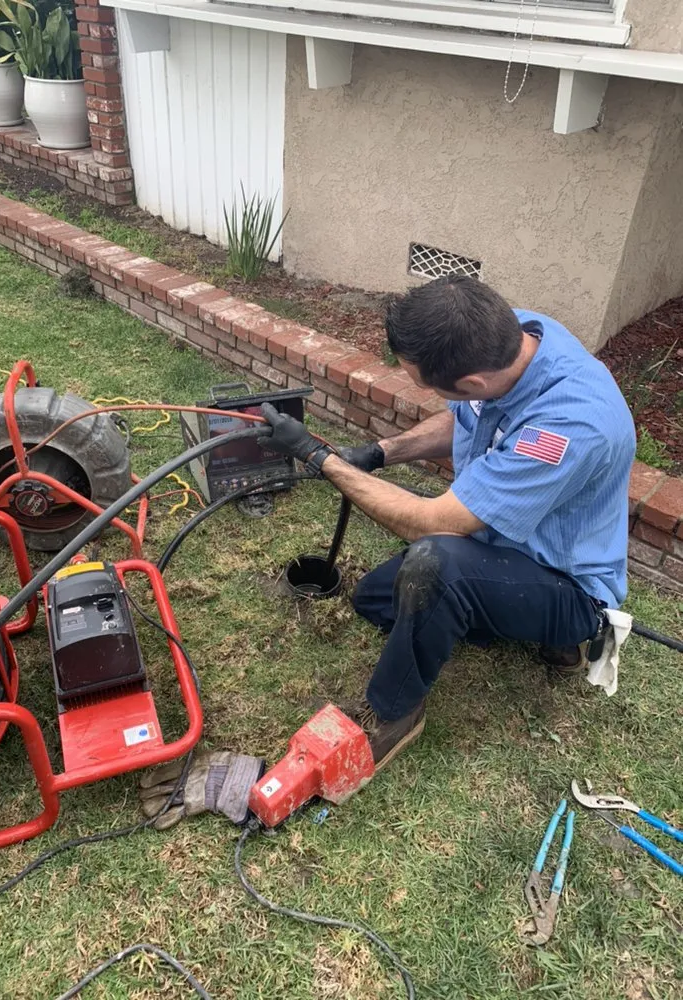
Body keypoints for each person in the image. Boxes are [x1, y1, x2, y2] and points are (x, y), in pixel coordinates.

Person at [259, 276, 636, 770]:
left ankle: (393, 715)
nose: (426, 392)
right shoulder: (516, 339)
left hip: (567, 585)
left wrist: (319, 457)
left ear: (474, 381)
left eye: (423, 384)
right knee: (375, 599)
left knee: (436, 564)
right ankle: (484, 613)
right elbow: (464, 416)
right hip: (499, 543)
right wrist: (379, 452)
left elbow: (429, 524)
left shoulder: (570, 426)